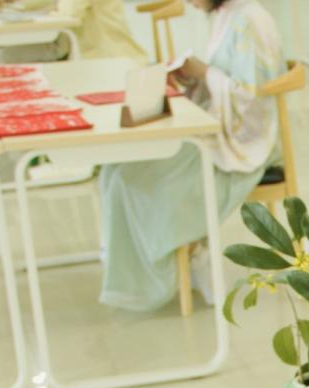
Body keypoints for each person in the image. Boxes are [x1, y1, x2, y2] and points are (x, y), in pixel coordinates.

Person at [98, 0, 283, 311]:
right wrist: (195, 76)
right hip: (220, 131)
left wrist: (205, 72)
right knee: (115, 170)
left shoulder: (251, 20)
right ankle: (154, 266)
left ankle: (176, 259)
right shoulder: (227, 15)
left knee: (132, 180)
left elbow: (253, 99)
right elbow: (227, 82)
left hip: (243, 145)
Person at [0, 0, 147, 63]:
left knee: (8, 57)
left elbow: (69, 12)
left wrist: (52, 9)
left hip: (105, 55)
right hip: (74, 45)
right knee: (7, 55)